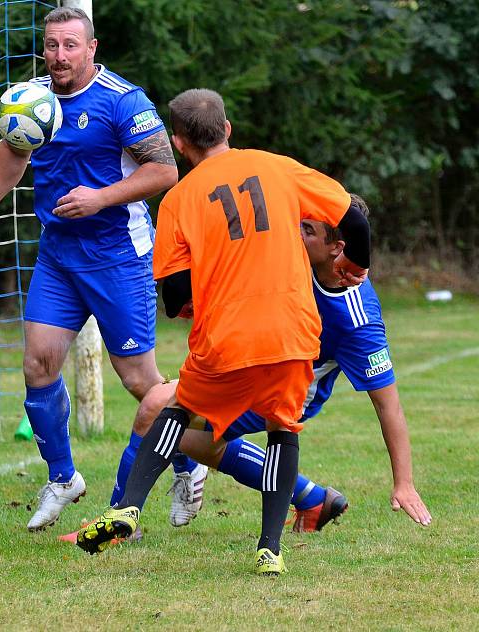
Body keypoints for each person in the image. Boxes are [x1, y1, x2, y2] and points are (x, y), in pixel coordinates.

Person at [76, 88, 371, 576]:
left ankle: (127, 508)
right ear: (228, 129)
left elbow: (173, 294)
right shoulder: (276, 167)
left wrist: (195, 301)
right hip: (292, 332)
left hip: (226, 336)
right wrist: (356, 264)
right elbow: (352, 217)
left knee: (174, 413)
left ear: (178, 142)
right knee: (282, 430)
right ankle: (270, 549)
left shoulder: (178, 200)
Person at [0, 7, 197, 531]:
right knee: (38, 365)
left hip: (120, 256)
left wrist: (101, 199)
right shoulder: (31, 100)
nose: (60, 55)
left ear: (92, 48)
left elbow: (165, 170)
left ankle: (187, 463)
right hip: (59, 256)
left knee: (140, 382)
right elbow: (12, 154)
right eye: (51, 45)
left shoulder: (122, 100)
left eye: (71, 45)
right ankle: (64, 478)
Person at [109, 196, 431, 537]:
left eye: (307, 229)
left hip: (279, 396)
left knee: (155, 409)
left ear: (336, 248)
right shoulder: (296, 258)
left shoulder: (357, 318)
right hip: (246, 369)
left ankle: (117, 526)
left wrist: (404, 483)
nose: (295, 232)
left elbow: (388, 403)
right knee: (184, 437)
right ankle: (312, 498)